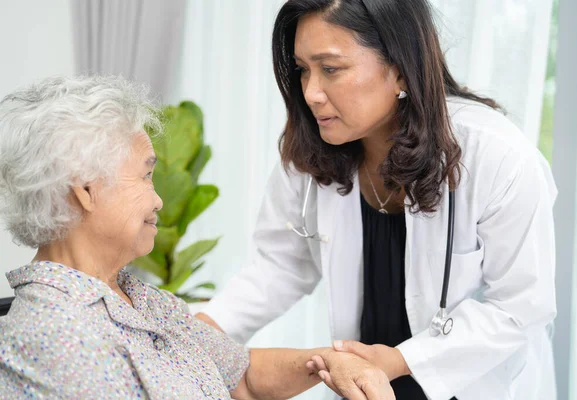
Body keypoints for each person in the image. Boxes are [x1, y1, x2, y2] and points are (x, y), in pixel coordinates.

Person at [196, 0, 558, 399]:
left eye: (331, 69)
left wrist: (402, 360)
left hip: (473, 384)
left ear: (401, 68)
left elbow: (520, 306)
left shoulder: (495, 155)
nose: (311, 92)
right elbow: (280, 265)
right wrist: (197, 331)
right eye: (303, 70)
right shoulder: (314, 153)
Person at [0, 75, 395, 400]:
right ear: (85, 191)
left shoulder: (140, 299)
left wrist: (330, 362)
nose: (157, 199)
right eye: (144, 175)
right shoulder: (57, 335)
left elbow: (242, 376)